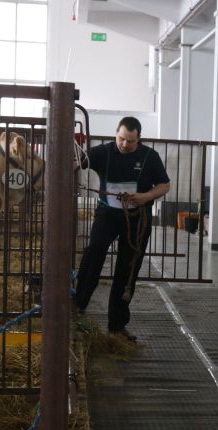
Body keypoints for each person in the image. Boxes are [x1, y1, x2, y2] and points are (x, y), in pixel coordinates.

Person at [74, 117, 170, 341]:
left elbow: (164, 184)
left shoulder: (149, 157)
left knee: (128, 269)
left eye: (130, 141)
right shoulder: (103, 153)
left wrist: (145, 196)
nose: (124, 144)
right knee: (93, 254)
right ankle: (77, 305)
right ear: (115, 133)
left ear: (138, 139)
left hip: (137, 218)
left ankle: (117, 326)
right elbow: (77, 161)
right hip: (107, 213)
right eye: (121, 138)